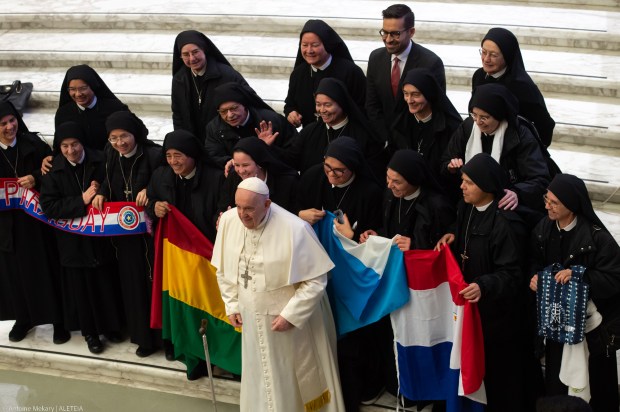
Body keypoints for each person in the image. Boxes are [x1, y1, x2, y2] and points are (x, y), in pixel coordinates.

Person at [212, 177, 345, 411]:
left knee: (289, 382)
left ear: (267, 204)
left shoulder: (295, 228)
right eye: (239, 207)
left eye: (249, 208)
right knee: (259, 377)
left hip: (288, 324)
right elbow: (224, 269)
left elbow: (316, 280)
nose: (242, 215)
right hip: (252, 321)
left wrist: (290, 315)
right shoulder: (229, 221)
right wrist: (232, 304)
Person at [436, 153, 532, 412]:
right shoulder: (466, 207)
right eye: (462, 180)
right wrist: (453, 234)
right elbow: (464, 231)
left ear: (487, 187)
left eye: (468, 182)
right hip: (470, 307)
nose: (461, 186)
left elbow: (512, 274)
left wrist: (484, 285)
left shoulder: (506, 223)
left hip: (497, 316)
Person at [296, 137, 384, 411]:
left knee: (353, 338)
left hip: (350, 277)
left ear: (353, 169)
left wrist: (358, 235)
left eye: (339, 171)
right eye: (328, 167)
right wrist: (300, 214)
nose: (331, 175)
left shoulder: (370, 191)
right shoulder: (312, 177)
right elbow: (289, 213)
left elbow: (376, 234)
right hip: (317, 268)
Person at [529, 174, 620, 412]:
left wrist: (580, 276)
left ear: (572, 204)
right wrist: (535, 277)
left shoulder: (598, 238)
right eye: (546, 200)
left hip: (591, 331)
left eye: (554, 202)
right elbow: (533, 261)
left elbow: (614, 278)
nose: (547, 206)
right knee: (558, 385)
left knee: (596, 386)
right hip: (557, 325)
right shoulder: (543, 228)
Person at [40, 121, 125, 354]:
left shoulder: (101, 160)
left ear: (82, 143)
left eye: (75, 144)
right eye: (65, 146)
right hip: (73, 242)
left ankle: (111, 327)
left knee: (106, 283)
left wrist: (103, 190)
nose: (71, 150)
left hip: (102, 239)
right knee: (83, 289)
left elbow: (114, 181)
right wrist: (82, 200)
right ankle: (90, 333)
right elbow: (49, 207)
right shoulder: (53, 170)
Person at [146, 129, 224, 379]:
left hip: (209, 255)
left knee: (214, 309)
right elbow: (151, 201)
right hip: (179, 261)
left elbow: (221, 211)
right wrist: (153, 207)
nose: (173, 161)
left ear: (192, 156)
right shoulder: (160, 176)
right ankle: (195, 359)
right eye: (168, 155)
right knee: (187, 310)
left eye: (178, 155)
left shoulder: (215, 177)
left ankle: (221, 358)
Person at [92, 111, 165, 358]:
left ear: (135, 134)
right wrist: (101, 191)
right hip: (125, 236)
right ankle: (144, 338)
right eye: (113, 138)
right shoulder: (112, 154)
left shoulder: (154, 155)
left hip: (151, 233)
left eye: (124, 136)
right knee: (133, 285)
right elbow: (108, 178)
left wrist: (149, 190)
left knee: (155, 283)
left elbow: (166, 182)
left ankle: (167, 339)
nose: (119, 143)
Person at [0, 101, 69, 345]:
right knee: (15, 274)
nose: (10, 127)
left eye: (12, 120)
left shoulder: (33, 144)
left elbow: (56, 171)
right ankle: (24, 318)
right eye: (3, 123)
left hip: (38, 221)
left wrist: (36, 177)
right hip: (7, 227)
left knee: (47, 269)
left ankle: (58, 320)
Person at [441, 83, 550, 223]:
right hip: (471, 203)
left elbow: (539, 179)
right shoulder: (468, 127)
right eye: (474, 115)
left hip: (504, 206)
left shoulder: (520, 136)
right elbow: (445, 161)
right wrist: (450, 167)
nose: (478, 122)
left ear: (499, 115)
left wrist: (517, 192)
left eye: (484, 117)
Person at [366, 4, 446, 142]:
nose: (388, 39)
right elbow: (372, 105)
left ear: (411, 32)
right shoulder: (375, 58)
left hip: (415, 142)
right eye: (384, 32)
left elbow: (436, 110)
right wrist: (385, 140)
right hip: (382, 143)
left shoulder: (430, 63)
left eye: (395, 34)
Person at [275, 77, 385, 177]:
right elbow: (291, 160)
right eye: (318, 104)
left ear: (341, 104)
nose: (322, 110)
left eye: (328, 105)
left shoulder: (362, 135)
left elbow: (372, 171)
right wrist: (267, 147)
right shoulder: (309, 132)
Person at [472, 27, 555, 147]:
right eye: (483, 52)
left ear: (507, 56)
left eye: (493, 55)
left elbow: (545, 125)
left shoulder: (523, 87)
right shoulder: (479, 77)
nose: (486, 59)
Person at [390, 68, 462, 201]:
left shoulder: (450, 127)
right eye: (406, 94)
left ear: (429, 94)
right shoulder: (400, 123)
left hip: (438, 196)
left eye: (415, 95)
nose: (409, 100)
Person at [361, 149, 454, 251]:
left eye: (397, 181)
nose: (389, 185)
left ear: (413, 180)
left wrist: (414, 246)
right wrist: (377, 236)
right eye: (388, 177)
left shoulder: (437, 206)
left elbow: (442, 246)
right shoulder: (390, 195)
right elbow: (392, 230)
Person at [284, 19, 366, 128]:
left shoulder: (351, 72)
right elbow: (290, 104)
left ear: (327, 44)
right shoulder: (298, 74)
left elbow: (362, 109)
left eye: (315, 45)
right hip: (311, 136)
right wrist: (292, 113)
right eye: (304, 45)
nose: (309, 50)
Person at [171, 30, 249, 142]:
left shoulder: (227, 75)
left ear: (204, 50)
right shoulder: (179, 78)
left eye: (195, 52)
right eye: (186, 55)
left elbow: (249, 104)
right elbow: (177, 113)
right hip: (194, 142)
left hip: (223, 141)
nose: (192, 58)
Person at [205, 82, 296, 169]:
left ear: (244, 105)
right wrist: (231, 162)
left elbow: (294, 155)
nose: (229, 115)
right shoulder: (214, 128)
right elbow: (212, 156)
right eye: (223, 111)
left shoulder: (273, 121)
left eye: (234, 108)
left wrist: (267, 148)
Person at [55, 64, 129, 151]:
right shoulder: (63, 113)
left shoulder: (115, 108)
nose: (78, 94)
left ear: (93, 86)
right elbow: (59, 144)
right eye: (72, 89)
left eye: (83, 88)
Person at [217, 136, 298, 215]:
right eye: (237, 165)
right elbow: (221, 209)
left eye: (245, 165)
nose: (241, 171)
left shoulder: (287, 182)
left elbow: (295, 213)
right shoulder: (233, 177)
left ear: (260, 163)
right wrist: (221, 219)